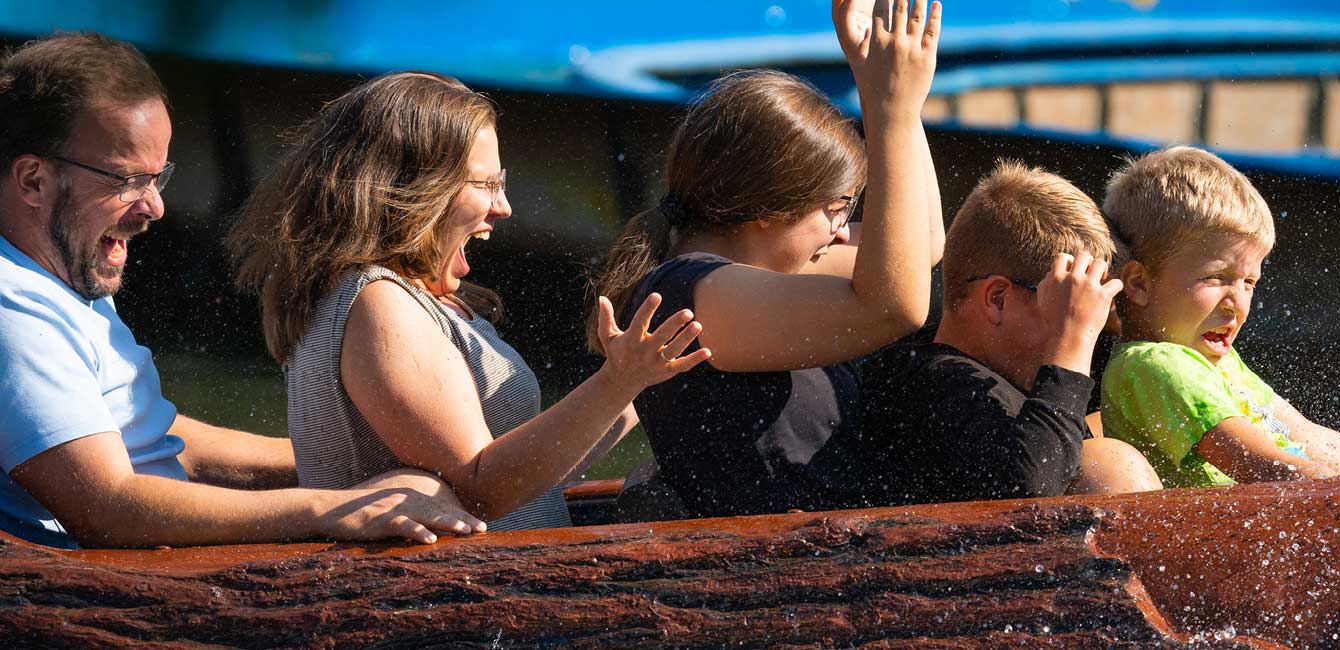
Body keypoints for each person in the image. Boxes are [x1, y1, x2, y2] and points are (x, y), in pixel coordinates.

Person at [0, 32, 485, 549]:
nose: (155, 207)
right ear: (33, 181)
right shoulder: (15, 309)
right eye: (127, 181)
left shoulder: (60, 268)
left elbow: (157, 443)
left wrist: (345, 466)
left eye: (157, 177)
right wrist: (335, 506)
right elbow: (107, 506)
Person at [229, 72, 710, 530]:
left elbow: (530, 477)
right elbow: (483, 486)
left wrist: (640, 379)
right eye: (485, 184)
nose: (504, 207)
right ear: (411, 189)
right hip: (460, 600)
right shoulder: (380, 306)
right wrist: (616, 382)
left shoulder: (407, 296)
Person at [589, 0, 945, 518]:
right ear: (765, 209)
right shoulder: (688, 298)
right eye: (836, 210)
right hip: (777, 582)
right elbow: (896, 305)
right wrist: (890, 110)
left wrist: (892, 100)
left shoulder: (758, 269)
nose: (843, 231)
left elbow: (920, 244)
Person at [1098, 146, 1340, 488]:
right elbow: (1262, 467)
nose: (1237, 304)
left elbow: (1310, 438)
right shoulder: (1154, 366)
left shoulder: (1214, 359)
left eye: (1248, 282)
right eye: (1216, 278)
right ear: (1139, 283)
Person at [854, 161, 1162, 507]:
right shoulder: (935, 380)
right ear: (997, 299)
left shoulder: (987, 380)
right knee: (1110, 462)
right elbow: (1031, 486)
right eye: (1067, 308)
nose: (1088, 329)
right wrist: (1071, 341)